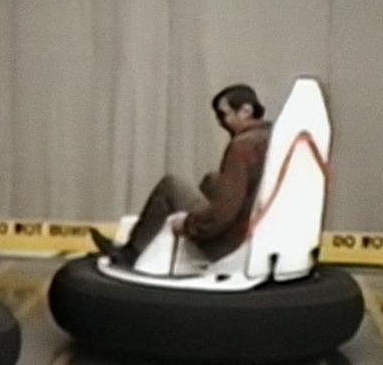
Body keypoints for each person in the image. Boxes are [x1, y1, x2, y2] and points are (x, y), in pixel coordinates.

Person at [90, 83, 272, 266]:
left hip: (229, 244)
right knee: (211, 180)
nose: (220, 122)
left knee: (170, 186)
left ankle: (130, 253)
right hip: (257, 235)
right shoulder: (273, 138)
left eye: (223, 114)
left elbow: (223, 214)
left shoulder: (242, 146)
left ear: (246, 111)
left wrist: (188, 225)